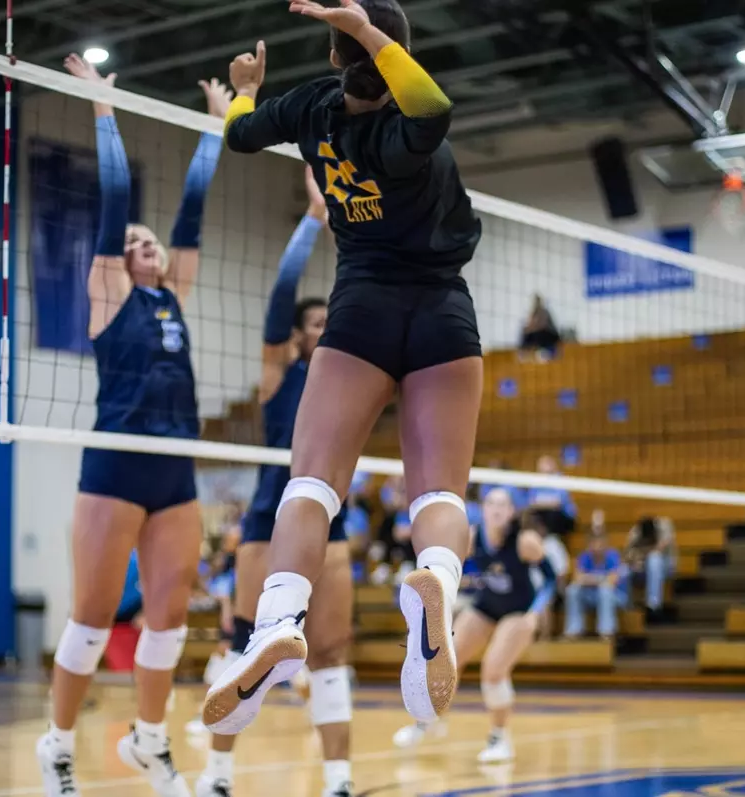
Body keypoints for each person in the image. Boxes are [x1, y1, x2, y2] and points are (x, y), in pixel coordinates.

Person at [204, 0, 484, 735]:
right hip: (443, 312)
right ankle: (437, 581)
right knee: (439, 494)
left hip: (360, 309)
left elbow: (238, 133)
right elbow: (433, 105)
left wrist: (245, 89)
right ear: (399, 54)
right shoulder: (409, 133)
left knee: (311, 484)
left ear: (334, 58)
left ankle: (275, 623)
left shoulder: (311, 107)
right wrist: (369, 32)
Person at [35, 55, 232, 797]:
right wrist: (102, 109)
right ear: (119, 258)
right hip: (116, 463)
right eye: (136, 242)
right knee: (90, 620)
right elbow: (116, 200)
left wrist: (215, 130)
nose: (146, 245)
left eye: (153, 242)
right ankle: (57, 747)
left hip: (173, 465)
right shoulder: (108, 291)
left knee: (169, 621)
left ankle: (150, 741)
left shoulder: (174, 294)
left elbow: (192, 213)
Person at [196, 168, 358, 797]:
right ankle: (217, 776)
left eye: (329, 321)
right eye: (314, 322)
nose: (325, 326)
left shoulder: (350, 377)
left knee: (332, 654)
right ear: (297, 336)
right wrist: (315, 219)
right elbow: (278, 299)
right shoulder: (279, 378)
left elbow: (362, 298)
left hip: (330, 524)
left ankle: (339, 780)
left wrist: (351, 233)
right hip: (268, 523)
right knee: (246, 648)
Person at [391, 490, 556, 764]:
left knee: (493, 670)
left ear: (512, 512)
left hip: (519, 611)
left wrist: (535, 614)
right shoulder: (472, 537)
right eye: (491, 503)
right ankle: (427, 722)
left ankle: (500, 739)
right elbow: (451, 567)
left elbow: (551, 579)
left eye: (503, 504)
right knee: (448, 659)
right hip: (486, 606)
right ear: (483, 510)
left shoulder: (525, 541)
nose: (496, 509)